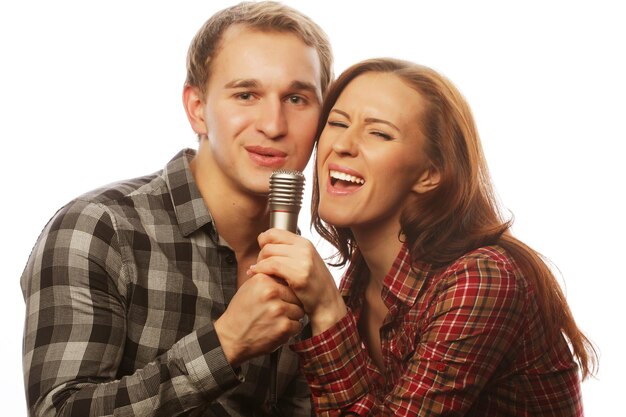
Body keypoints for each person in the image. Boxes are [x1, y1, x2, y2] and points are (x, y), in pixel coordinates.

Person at [20, 2, 333, 416]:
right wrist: (225, 345)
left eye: (296, 98)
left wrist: (331, 313)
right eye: (246, 94)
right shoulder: (100, 229)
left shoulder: (306, 270)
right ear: (197, 109)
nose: (273, 124)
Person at [251, 58, 597, 416]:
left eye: (379, 133)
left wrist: (325, 309)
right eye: (337, 123)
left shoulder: (482, 279)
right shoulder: (359, 283)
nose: (343, 145)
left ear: (429, 174)